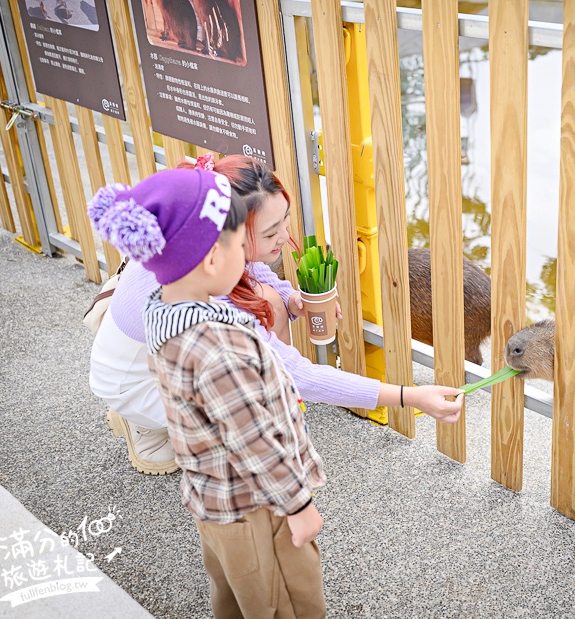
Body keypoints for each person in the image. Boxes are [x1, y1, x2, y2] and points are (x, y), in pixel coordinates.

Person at [88, 153, 464, 474]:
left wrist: (291, 299)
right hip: (132, 380)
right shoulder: (208, 310)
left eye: (285, 220)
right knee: (258, 415)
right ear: (224, 240)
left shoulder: (190, 239)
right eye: (270, 233)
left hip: (147, 352)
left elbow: (256, 276)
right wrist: (408, 397)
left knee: (268, 304)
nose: (284, 236)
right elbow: (295, 375)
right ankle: (146, 424)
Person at [90, 166, 327, 617]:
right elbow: (251, 436)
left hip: (210, 496)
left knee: (232, 588)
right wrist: (299, 505)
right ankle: (141, 423)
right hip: (249, 499)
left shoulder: (173, 284)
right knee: (275, 595)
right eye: (250, 241)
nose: (258, 253)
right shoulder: (215, 344)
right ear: (217, 255)